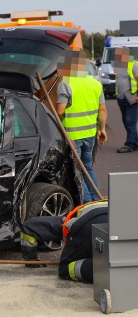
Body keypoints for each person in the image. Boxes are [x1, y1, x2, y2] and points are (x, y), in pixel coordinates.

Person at [55, 49, 107, 203]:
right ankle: (97, 199)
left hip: (72, 136)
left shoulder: (65, 83)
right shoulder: (95, 83)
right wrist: (102, 129)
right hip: (90, 134)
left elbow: (60, 111)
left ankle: (87, 203)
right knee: (88, 167)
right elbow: (102, 109)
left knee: (77, 170)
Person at [20, 200, 108, 282]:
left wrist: (30, 257)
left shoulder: (67, 222)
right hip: (111, 220)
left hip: (87, 223)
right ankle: (111, 267)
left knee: (66, 269)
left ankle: (105, 268)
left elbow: (29, 226)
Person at [113, 47, 138, 153]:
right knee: (126, 121)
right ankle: (135, 142)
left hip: (132, 98)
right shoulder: (119, 67)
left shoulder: (134, 65)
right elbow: (119, 81)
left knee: (129, 122)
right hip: (122, 98)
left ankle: (131, 144)